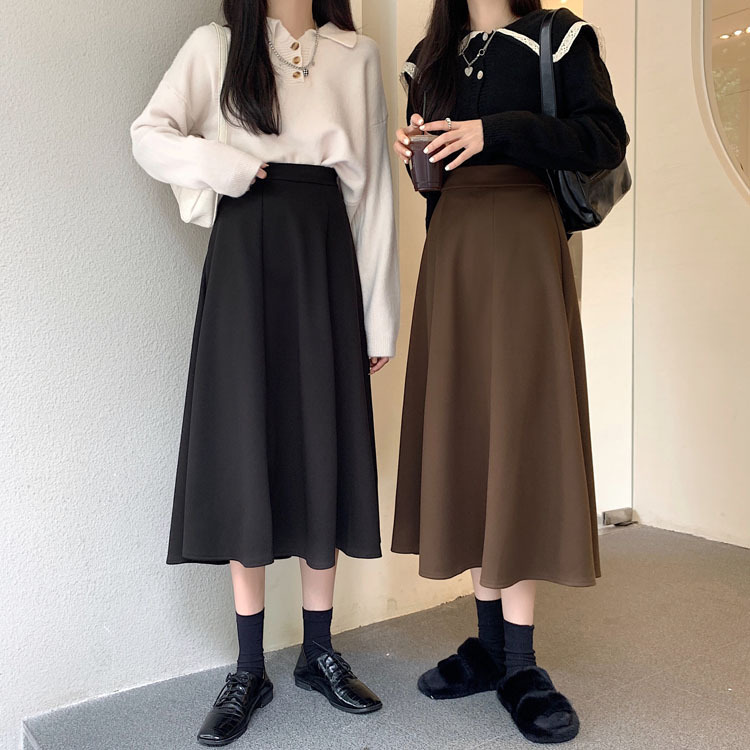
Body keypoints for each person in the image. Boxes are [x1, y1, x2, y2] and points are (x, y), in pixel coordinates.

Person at [131, 0, 399, 744]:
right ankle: (249, 667)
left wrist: (378, 317)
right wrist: (221, 164)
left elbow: (374, 192)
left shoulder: (356, 55)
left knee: (321, 447)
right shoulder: (216, 46)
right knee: (247, 444)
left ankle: (319, 651)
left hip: (324, 259)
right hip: (245, 254)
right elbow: (149, 134)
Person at [391, 0, 628, 744]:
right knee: (468, 437)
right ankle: (491, 646)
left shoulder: (560, 36)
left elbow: (604, 138)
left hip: (524, 244)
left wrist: (495, 132)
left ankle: (521, 663)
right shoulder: (431, 55)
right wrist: (419, 158)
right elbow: (433, 182)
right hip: (454, 252)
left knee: (518, 438)